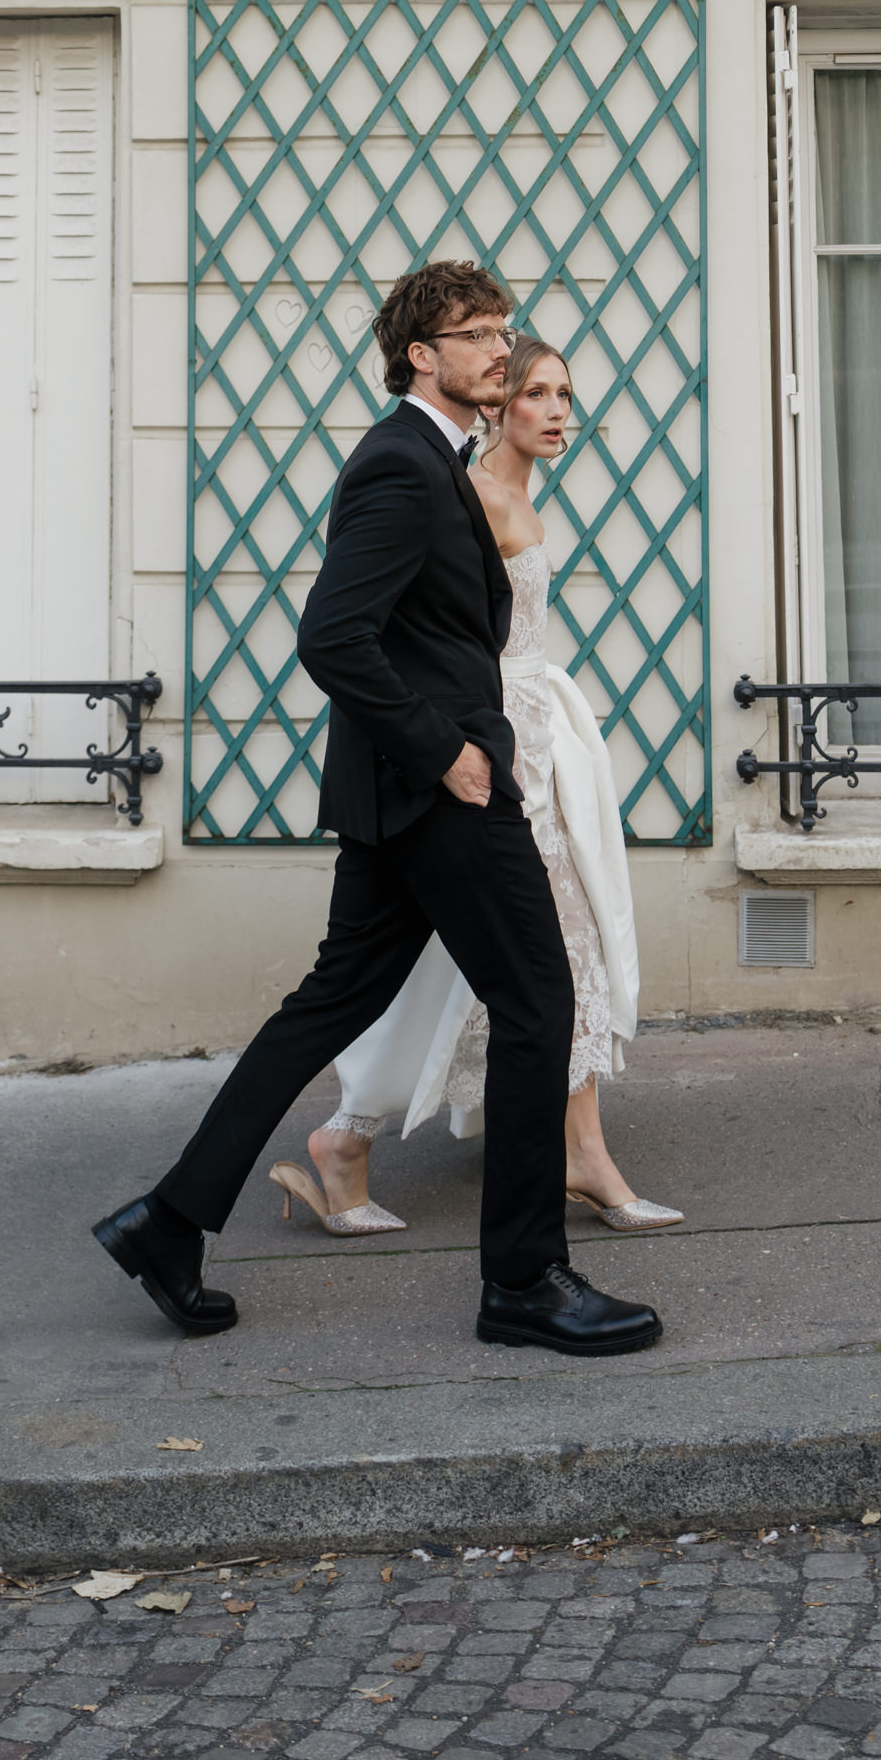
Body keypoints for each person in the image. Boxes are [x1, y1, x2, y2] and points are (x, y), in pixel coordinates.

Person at [91, 258, 662, 1361]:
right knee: (538, 999)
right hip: (437, 790)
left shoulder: (431, 457)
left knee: (330, 1000)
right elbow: (331, 637)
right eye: (479, 332)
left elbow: (417, 630)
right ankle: (523, 1282)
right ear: (420, 354)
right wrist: (446, 751)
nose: (501, 347)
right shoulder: (402, 464)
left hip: (397, 797)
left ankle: (167, 1221)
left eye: (503, 329)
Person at [272, 336, 680, 1237]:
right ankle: (367, 1141)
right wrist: (458, 748)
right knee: (522, 955)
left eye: (565, 393)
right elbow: (409, 637)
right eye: (536, 392)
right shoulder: (471, 496)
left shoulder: (514, 493)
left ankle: (365, 1141)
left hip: (539, 738)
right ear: (497, 404)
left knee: (540, 950)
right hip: (491, 746)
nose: (557, 411)